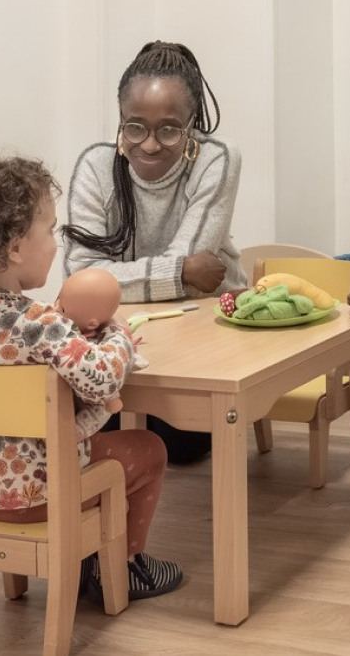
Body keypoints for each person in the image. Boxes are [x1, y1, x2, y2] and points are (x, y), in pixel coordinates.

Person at [0, 156, 183, 599]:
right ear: (13, 248)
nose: (55, 243)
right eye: (49, 230)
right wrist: (119, 338)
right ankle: (121, 568)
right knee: (149, 448)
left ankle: (93, 562)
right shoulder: (41, 324)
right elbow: (101, 381)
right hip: (49, 496)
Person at [64, 41, 246, 464]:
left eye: (168, 129)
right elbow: (79, 280)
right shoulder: (95, 165)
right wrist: (180, 273)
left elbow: (199, 264)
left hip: (204, 325)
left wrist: (111, 278)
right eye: (134, 127)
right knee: (89, 416)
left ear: (192, 124)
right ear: (119, 120)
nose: (148, 145)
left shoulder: (217, 157)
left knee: (183, 445)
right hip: (120, 335)